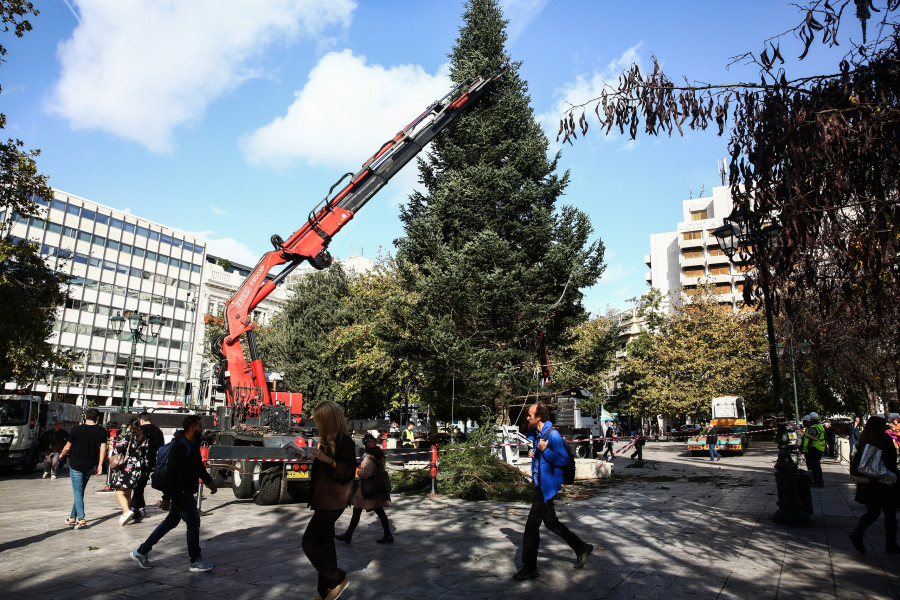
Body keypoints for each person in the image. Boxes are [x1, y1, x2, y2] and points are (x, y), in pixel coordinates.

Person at [514, 403, 592, 581]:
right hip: (541, 483)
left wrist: (544, 451)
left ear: (539, 417)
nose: (527, 417)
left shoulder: (553, 435)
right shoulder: (538, 434)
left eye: (530, 415)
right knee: (551, 523)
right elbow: (540, 452)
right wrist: (535, 451)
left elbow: (564, 460)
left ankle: (530, 567)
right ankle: (581, 548)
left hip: (547, 486)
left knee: (531, 527)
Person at [130, 415, 217, 572]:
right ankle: (195, 560)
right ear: (192, 428)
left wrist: (209, 481)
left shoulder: (192, 444)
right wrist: (166, 498)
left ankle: (141, 551)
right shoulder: (180, 446)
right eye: (200, 426)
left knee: (170, 522)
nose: (202, 428)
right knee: (193, 523)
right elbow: (172, 473)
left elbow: (198, 466)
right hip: (180, 491)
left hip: (184, 490)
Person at [303, 401, 356, 600]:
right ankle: (325, 591)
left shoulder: (345, 441)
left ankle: (337, 578)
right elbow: (326, 468)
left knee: (309, 543)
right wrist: (311, 459)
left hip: (333, 500)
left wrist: (326, 460)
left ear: (327, 420)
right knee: (325, 545)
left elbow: (348, 470)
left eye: (319, 420)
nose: (317, 424)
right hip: (322, 499)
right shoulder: (326, 440)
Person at [849, 415, 899, 554]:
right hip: (885, 482)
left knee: (872, 512)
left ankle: (858, 533)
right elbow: (891, 462)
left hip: (869, 484)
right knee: (890, 514)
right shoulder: (885, 440)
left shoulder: (864, 441)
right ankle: (891, 544)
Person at [335, 433, 393, 544]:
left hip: (369, 490)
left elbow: (365, 473)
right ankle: (387, 534)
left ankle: (348, 536)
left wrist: (359, 470)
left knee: (359, 510)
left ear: (365, 446)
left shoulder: (370, 458)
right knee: (377, 511)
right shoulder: (380, 455)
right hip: (377, 488)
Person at [57, 408, 107, 529]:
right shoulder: (102, 431)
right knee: (80, 491)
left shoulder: (76, 429)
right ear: (97, 418)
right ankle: (72, 517)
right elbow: (103, 450)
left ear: (85, 417)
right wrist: (100, 465)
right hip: (90, 464)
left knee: (78, 491)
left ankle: (81, 519)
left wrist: (61, 455)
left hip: (76, 463)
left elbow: (68, 447)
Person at [112, 419, 151, 526]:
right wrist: (145, 470)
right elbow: (146, 454)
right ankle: (126, 512)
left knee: (118, 489)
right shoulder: (144, 438)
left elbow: (117, 449)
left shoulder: (129, 436)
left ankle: (126, 511)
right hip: (139, 467)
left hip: (127, 465)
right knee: (128, 491)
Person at [131, 412, 165, 522]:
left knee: (137, 486)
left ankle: (135, 508)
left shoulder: (139, 430)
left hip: (137, 461)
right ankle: (139, 506)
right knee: (141, 485)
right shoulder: (158, 431)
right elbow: (161, 448)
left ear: (140, 420)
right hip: (150, 462)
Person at [802, 412, 826, 487]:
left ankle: (817, 481)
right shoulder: (820, 426)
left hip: (814, 448)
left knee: (815, 466)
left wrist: (808, 446)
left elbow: (811, 438)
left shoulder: (813, 427)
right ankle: (817, 480)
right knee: (816, 465)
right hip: (820, 448)